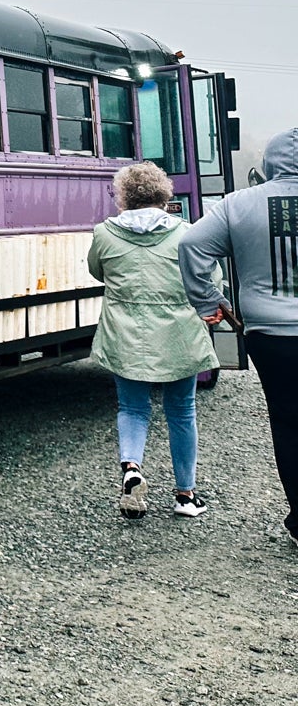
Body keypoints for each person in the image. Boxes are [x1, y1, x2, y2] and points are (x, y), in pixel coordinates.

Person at [179, 127, 298, 546]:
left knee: (288, 422)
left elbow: (192, 243)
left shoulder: (239, 203)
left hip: (270, 333)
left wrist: (209, 301)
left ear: (269, 163)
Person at [88, 161, 217, 519]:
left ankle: (131, 469)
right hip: (180, 335)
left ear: (124, 196)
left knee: (132, 409)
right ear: (164, 195)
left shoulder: (104, 233)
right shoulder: (187, 233)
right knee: (181, 411)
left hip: (125, 333)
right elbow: (210, 279)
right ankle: (186, 496)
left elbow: (97, 271)